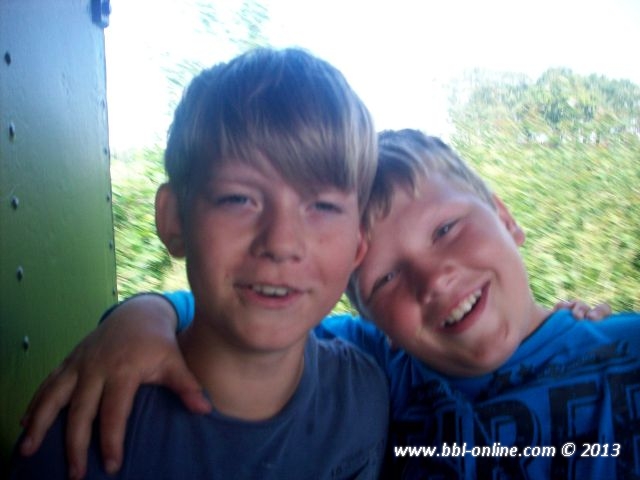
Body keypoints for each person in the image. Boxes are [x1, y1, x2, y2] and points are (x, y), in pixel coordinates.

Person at [15, 129, 621, 478]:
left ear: (506, 217)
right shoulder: (380, 364)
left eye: (446, 229)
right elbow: (247, 319)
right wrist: (144, 315)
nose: (434, 280)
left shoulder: (627, 351)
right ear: (363, 313)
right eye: (385, 279)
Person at [10, 47, 390, 479]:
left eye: (322, 206)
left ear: (357, 246)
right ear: (174, 218)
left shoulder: (370, 393)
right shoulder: (77, 434)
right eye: (238, 199)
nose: (281, 243)